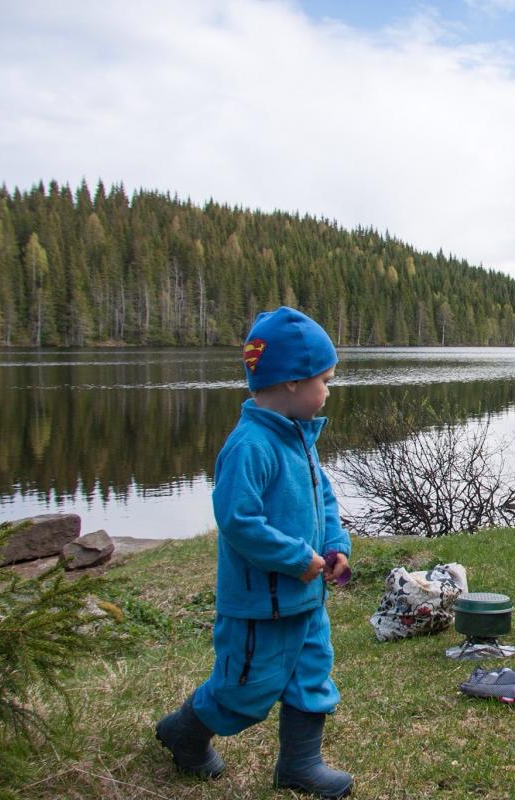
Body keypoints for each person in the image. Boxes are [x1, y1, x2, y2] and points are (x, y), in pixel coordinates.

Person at [155, 306, 354, 799]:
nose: (329, 391)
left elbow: (324, 500)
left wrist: (334, 544)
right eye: (325, 381)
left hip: (306, 600)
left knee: (312, 677)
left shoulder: (301, 439)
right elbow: (238, 521)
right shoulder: (250, 446)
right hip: (259, 608)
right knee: (243, 690)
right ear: (292, 381)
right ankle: (184, 732)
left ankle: (300, 765)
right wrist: (297, 558)